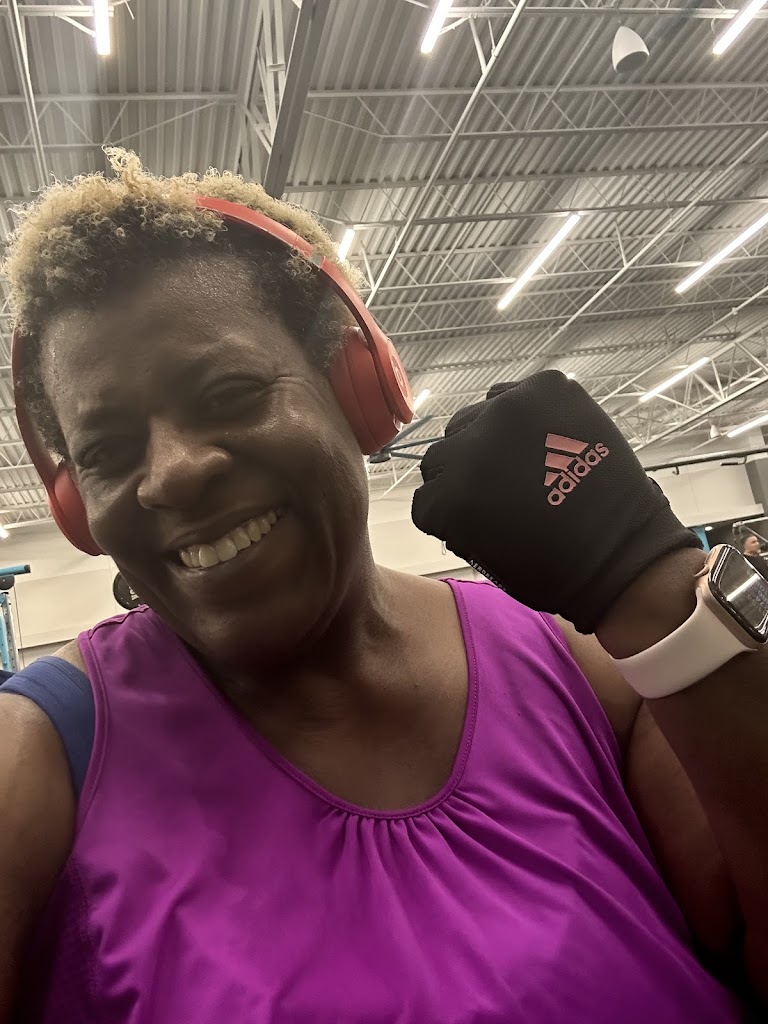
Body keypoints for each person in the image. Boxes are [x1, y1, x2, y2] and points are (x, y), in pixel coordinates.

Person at [0, 150, 765, 1023]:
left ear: (355, 390)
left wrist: (651, 581)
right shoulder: (37, 762)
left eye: (229, 392)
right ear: (78, 507)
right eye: (106, 451)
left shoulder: (584, 669)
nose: (171, 473)